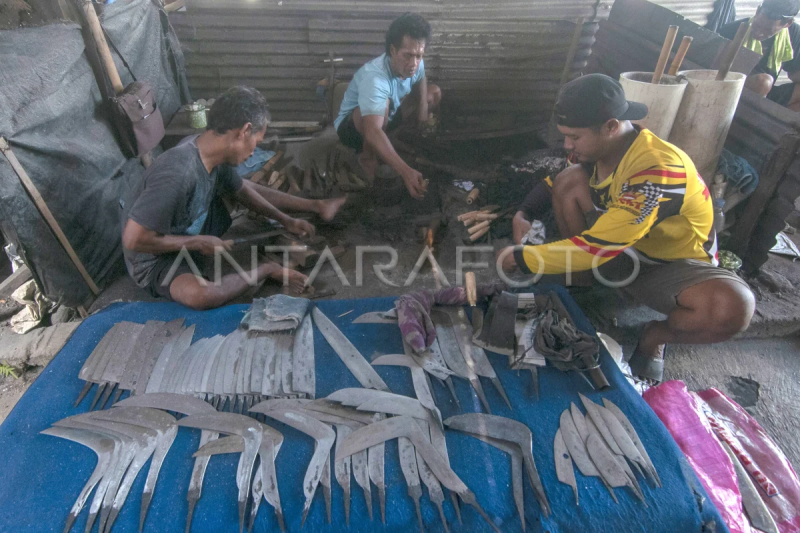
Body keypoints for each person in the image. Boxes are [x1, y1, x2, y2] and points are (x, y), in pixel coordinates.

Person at [499, 74, 755, 383]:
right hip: (621, 248)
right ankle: (584, 288)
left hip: (671, 264)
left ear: (610, 126)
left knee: (733, 307)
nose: (567, 145)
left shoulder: (658, 171)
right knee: (570, 182)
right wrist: (522, 213)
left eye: (574, 137)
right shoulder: (605, 147)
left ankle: (654, 338)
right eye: (565, 135)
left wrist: (523, 257)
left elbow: (597, 248)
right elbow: (557, 181)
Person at [121, 86, 347, 310]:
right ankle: (266, 269)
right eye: (257, 142)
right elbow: (133, 240)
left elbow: (243, 191)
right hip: (153, 258)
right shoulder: (178, 172)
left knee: (242, 186)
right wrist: (197, 242)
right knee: (201, 296)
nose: (253, 151)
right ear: (244, 131)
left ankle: (317, 205)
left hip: (188, 226)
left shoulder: (208, 150)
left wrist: (286, 220)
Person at [334, 12, 442, 200]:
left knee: (434, 93)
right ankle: (368, 158)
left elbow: (421, 77)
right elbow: (372, 131)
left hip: (387, 116)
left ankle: (389, 142)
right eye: (407, 56)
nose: (414, 63)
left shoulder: (416, 61)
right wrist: (406, 171)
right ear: (392, 50)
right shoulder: (375, 78)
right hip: (353, 129)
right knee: (381, 107)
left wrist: (423, 113)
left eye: (419, 55)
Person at [719, 0, 800, 109]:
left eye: (767, 30)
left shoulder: (793, 34)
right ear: (757, 11)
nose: (759, 33)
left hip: (766, 94)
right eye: (757, 26)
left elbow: (795, 73)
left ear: (788, 23)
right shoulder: (731, 30)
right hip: (733, 91)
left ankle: (770, 123)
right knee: (763, 82)